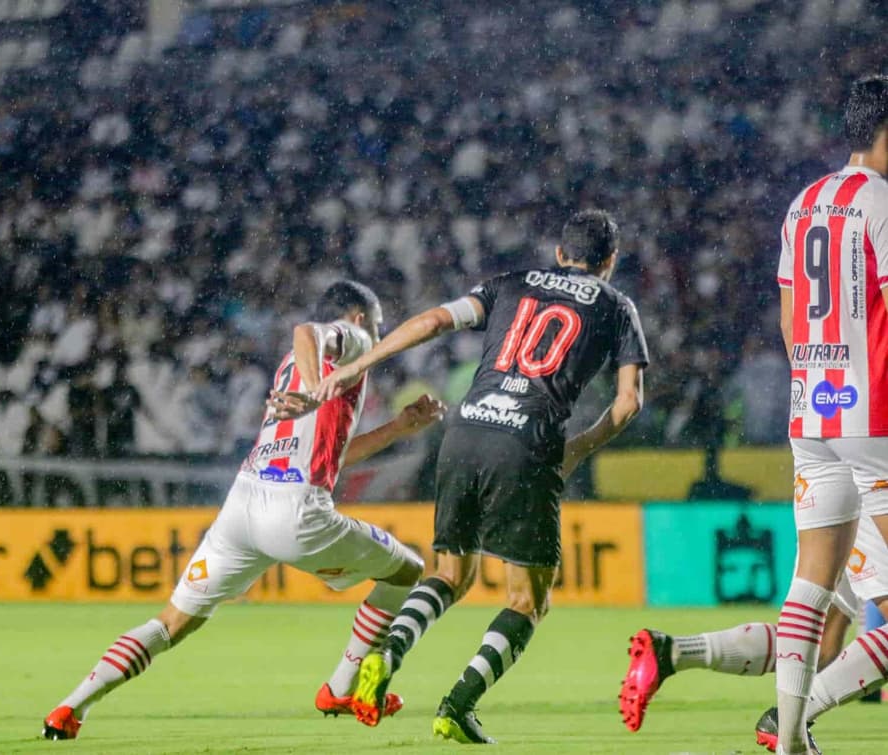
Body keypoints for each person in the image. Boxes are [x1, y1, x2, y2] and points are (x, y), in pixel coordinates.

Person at [41, 280, 445, 740]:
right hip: (296, 509)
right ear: (358, 318)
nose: (379, 334)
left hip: (243, 505)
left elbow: (333, 456)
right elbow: (307, 330)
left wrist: (398, 427)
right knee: (406, 570)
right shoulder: (352, 341)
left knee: (171, 622)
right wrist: (319, 390)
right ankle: (340, 687)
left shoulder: (293, 368)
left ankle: (70, 708)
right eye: (377, 324)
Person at [314, 209, 649, 743]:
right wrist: (578, 449)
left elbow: (432, 321)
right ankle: (458, 705)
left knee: (450, 574)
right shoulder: (616, 306)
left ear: (560, 254)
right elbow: (628, 402)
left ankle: (388, 652)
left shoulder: (510, 283)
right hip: (527, 441)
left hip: (464, 431)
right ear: (610, 260)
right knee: (528, 601)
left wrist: (358, 365)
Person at [770, 75, 888, 755]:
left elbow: (791, 318)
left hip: (813, 413)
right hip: (875, 418)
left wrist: (819, 381)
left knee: (810, 583)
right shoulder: (881, 202)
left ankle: (790, 738)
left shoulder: (804, 203)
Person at [620, 510, 888, 753]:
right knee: (819, 636)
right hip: (872, 500)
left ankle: (673, 653)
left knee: (822, 646)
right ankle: (789, 721)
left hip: (842, 498)